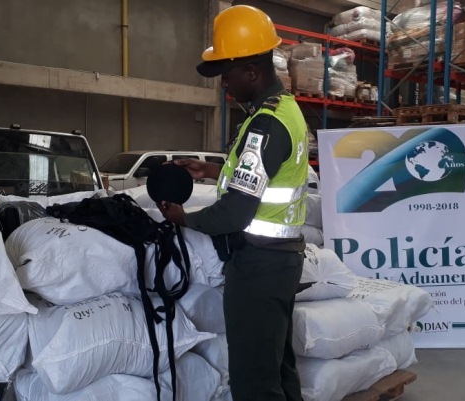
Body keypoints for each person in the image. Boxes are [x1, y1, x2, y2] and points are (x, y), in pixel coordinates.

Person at [157, 5, 308, 401]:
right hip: (279, 261)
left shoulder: (265, 124)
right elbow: (262, 173)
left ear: (252, 72)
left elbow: (237, 212)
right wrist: (211, 169)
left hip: (260, 267)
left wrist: (183, 218)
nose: (225, 85)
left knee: (254, 380)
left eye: (228, 75)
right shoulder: (285, 110)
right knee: (277, 366)